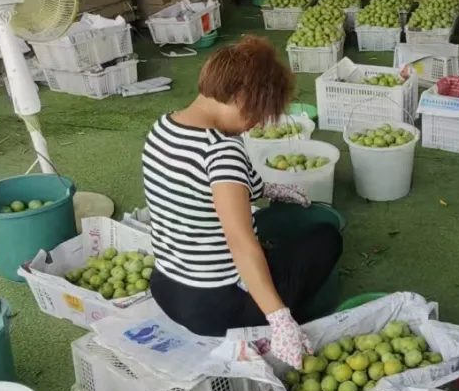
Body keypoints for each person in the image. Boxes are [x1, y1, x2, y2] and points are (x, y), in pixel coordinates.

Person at [142, 35, 342, 369]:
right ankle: (279, 321)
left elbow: (206, 187)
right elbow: (239, 242)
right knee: (325, 239)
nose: (256, 124)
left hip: (166, 288)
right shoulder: (222, 151)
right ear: (240, 96)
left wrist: (270, 189)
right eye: (259, 112)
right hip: (215, 308)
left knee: (265, 234)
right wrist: (280, 319)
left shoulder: (163, 127)